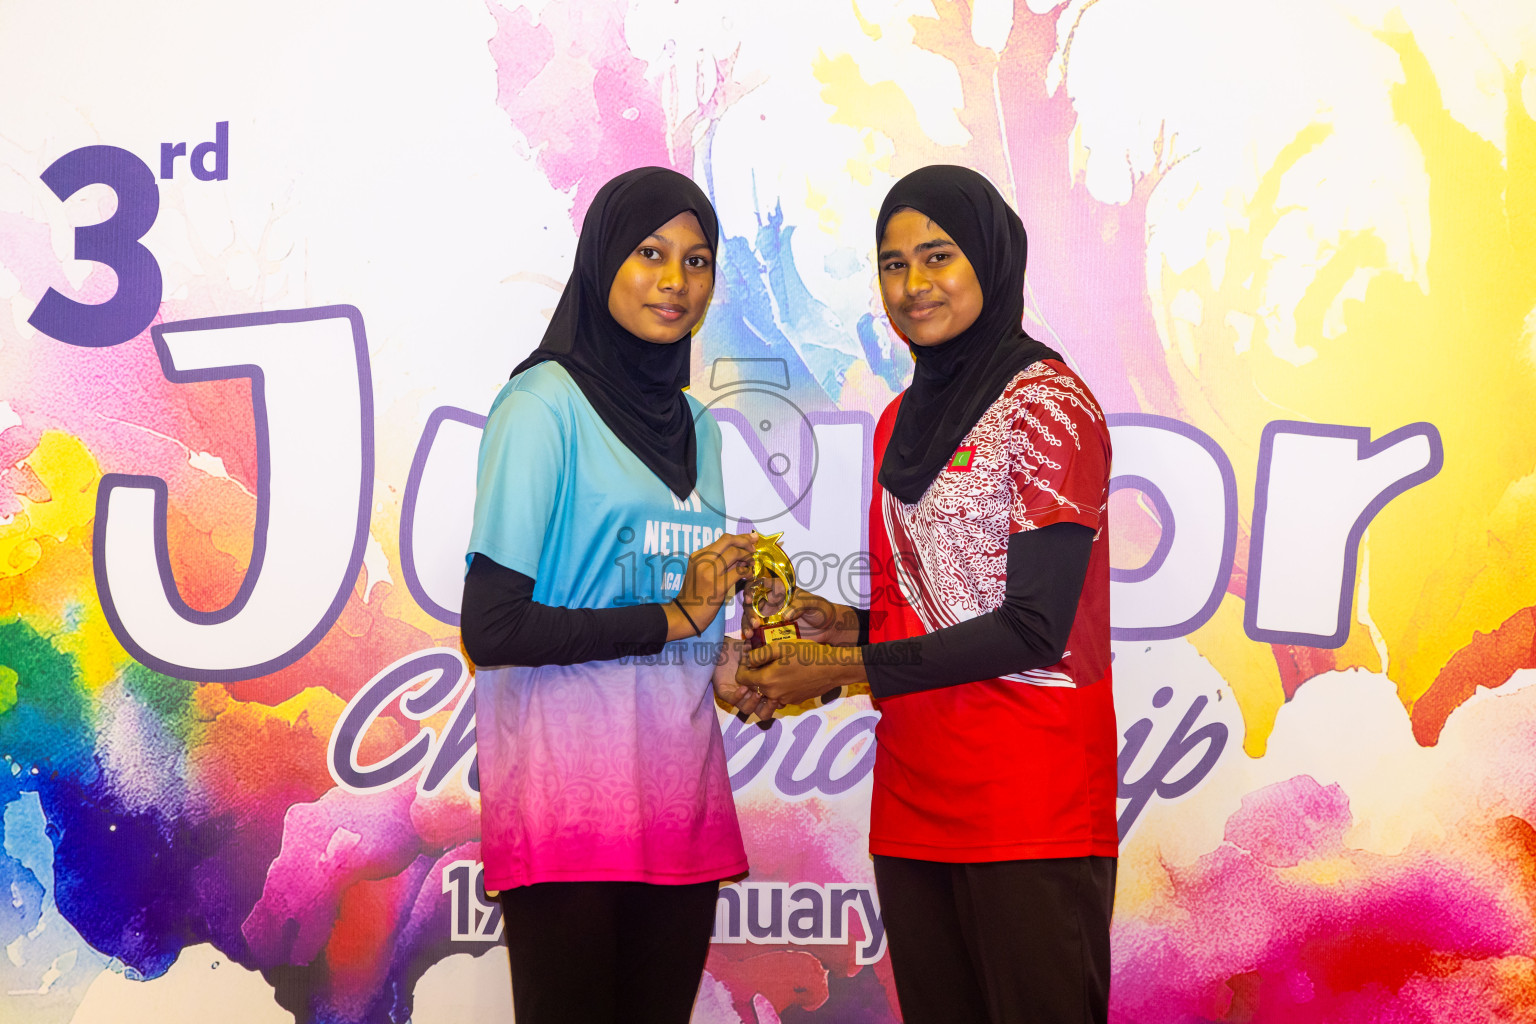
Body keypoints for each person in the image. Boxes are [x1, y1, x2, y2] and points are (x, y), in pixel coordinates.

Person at [738, 164, 1117, 1024]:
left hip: (1031, 803)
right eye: (893, 263)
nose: (913, 285)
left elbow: (1033, 629)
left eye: (937, 256)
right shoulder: (896, 423)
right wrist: (840, 627)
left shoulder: (1049, 408)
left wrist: (837, 669)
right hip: (913, 798)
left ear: (988, 258)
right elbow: (941, 609)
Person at [461, 166, 775, 1024]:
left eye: (698, 259)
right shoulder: (540, 406)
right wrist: (673, 616)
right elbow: (492, 626)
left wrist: (728, 664)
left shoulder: (701, 430)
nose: (676, 282)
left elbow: (684, 617)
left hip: (681, 800)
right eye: (649, 253)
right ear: (602, 263)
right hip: (567, 804)